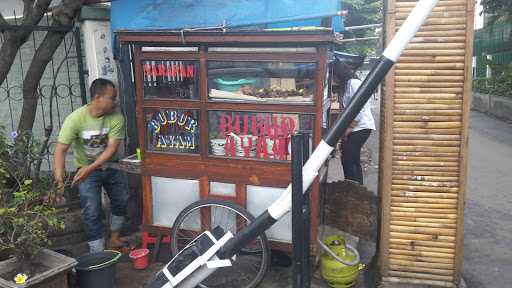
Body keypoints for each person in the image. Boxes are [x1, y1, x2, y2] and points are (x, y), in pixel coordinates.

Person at [53, 78, 129, 253]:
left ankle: (114, 238)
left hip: (111, 166)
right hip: (86, 170)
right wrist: (59, 182)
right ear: (97, 98)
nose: (116, 101)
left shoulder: (116, 116)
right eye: (112, 97)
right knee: (91, 210)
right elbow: (60, 150)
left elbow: (111, 149)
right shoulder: (75, 119)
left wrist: (90, 168)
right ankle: (97, 254)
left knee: (121, 200)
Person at [336, 62, 376, 184]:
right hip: (357, 127)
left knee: (348, 159)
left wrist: (349, 128)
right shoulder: (349, 84)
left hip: (361, 126)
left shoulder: (353, 83)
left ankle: (352, 187)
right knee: (352, 159)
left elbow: (359, 107)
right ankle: (358, 187)